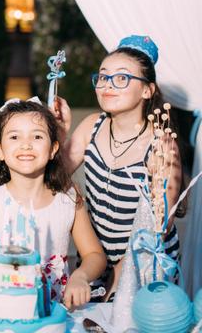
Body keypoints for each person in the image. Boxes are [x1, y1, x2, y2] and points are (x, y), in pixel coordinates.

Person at [58, 35, 183, 301]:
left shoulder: (162, 144)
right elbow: (52, 178)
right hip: (96, 261)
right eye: (103, 77)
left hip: (144, 264)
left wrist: (118, 277)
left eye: (122, 78)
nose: (108, 85)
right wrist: (58, 134)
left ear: (147, 90)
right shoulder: (92, 125)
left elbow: (155, 228)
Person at [0, 99, 106, 309]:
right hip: (2, 307)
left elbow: (95, 255)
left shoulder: (69, 198)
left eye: (37, 136)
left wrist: (81, 276)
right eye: (14, 137)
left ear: (54, 148)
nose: (26, 144)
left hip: (55, 310)